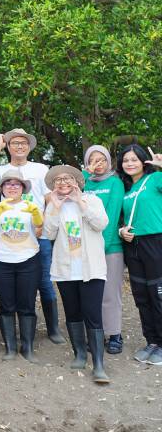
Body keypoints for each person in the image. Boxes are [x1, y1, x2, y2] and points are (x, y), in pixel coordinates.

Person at [0, 129, 62, 344]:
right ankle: (14, 337)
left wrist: (43, 223)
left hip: (37, 231)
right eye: (14, 143)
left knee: (44, 282)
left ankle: (53, 328)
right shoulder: (3, 169)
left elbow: (48, 198)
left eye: (23, 143)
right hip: (8, 232)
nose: (19, 146)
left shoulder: (39, 168)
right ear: (9, 147)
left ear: (29, 146)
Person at [44, 165, 110, 383]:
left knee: (92, 314)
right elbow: (48, 232)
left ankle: (99, 363)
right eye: (58, 180)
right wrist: (54, 208)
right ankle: (79, 353)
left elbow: (101, 224)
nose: (63, 182)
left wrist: (80, 202)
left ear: (77, 181)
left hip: (91, 269)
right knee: (72, 312)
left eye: (67, 179)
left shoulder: (92, 200)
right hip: (66, 270)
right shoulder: (55, 206)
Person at [0, 169, 43, 362]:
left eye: (16, 184)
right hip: (2, 261)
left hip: (29, 260)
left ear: (23, 188)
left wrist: (36, 215)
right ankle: (10, 347)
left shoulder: (31, 206)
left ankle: (27, 347)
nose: (12, 187)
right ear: (2, 188)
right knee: (6, 305)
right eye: (8, 184)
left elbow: (41, 232)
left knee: (27, 305)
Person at [116, 144, 162, 365]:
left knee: (157, 293)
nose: (130, 163)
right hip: (133, 245)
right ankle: (151, 341)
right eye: (126, 160)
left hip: (155, 242)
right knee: (141, 294)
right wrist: (122, 230)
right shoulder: (125, 189)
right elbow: (122, 219)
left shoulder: (154, 180)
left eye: (134, 159)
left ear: (144, 161)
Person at [83, 145, 126, 354]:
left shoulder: (115, 183)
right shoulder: (84, 183)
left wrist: (103, 247)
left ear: (109, 161)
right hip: (85, 247)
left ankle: (115, 334)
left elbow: (111, 215)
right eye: (93, 160)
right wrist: (86, 172)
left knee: (110, 293)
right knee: (92, 294)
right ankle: (96, 333)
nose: (98, 164)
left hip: (109, 248)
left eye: (102, 160)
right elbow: (71, 189)